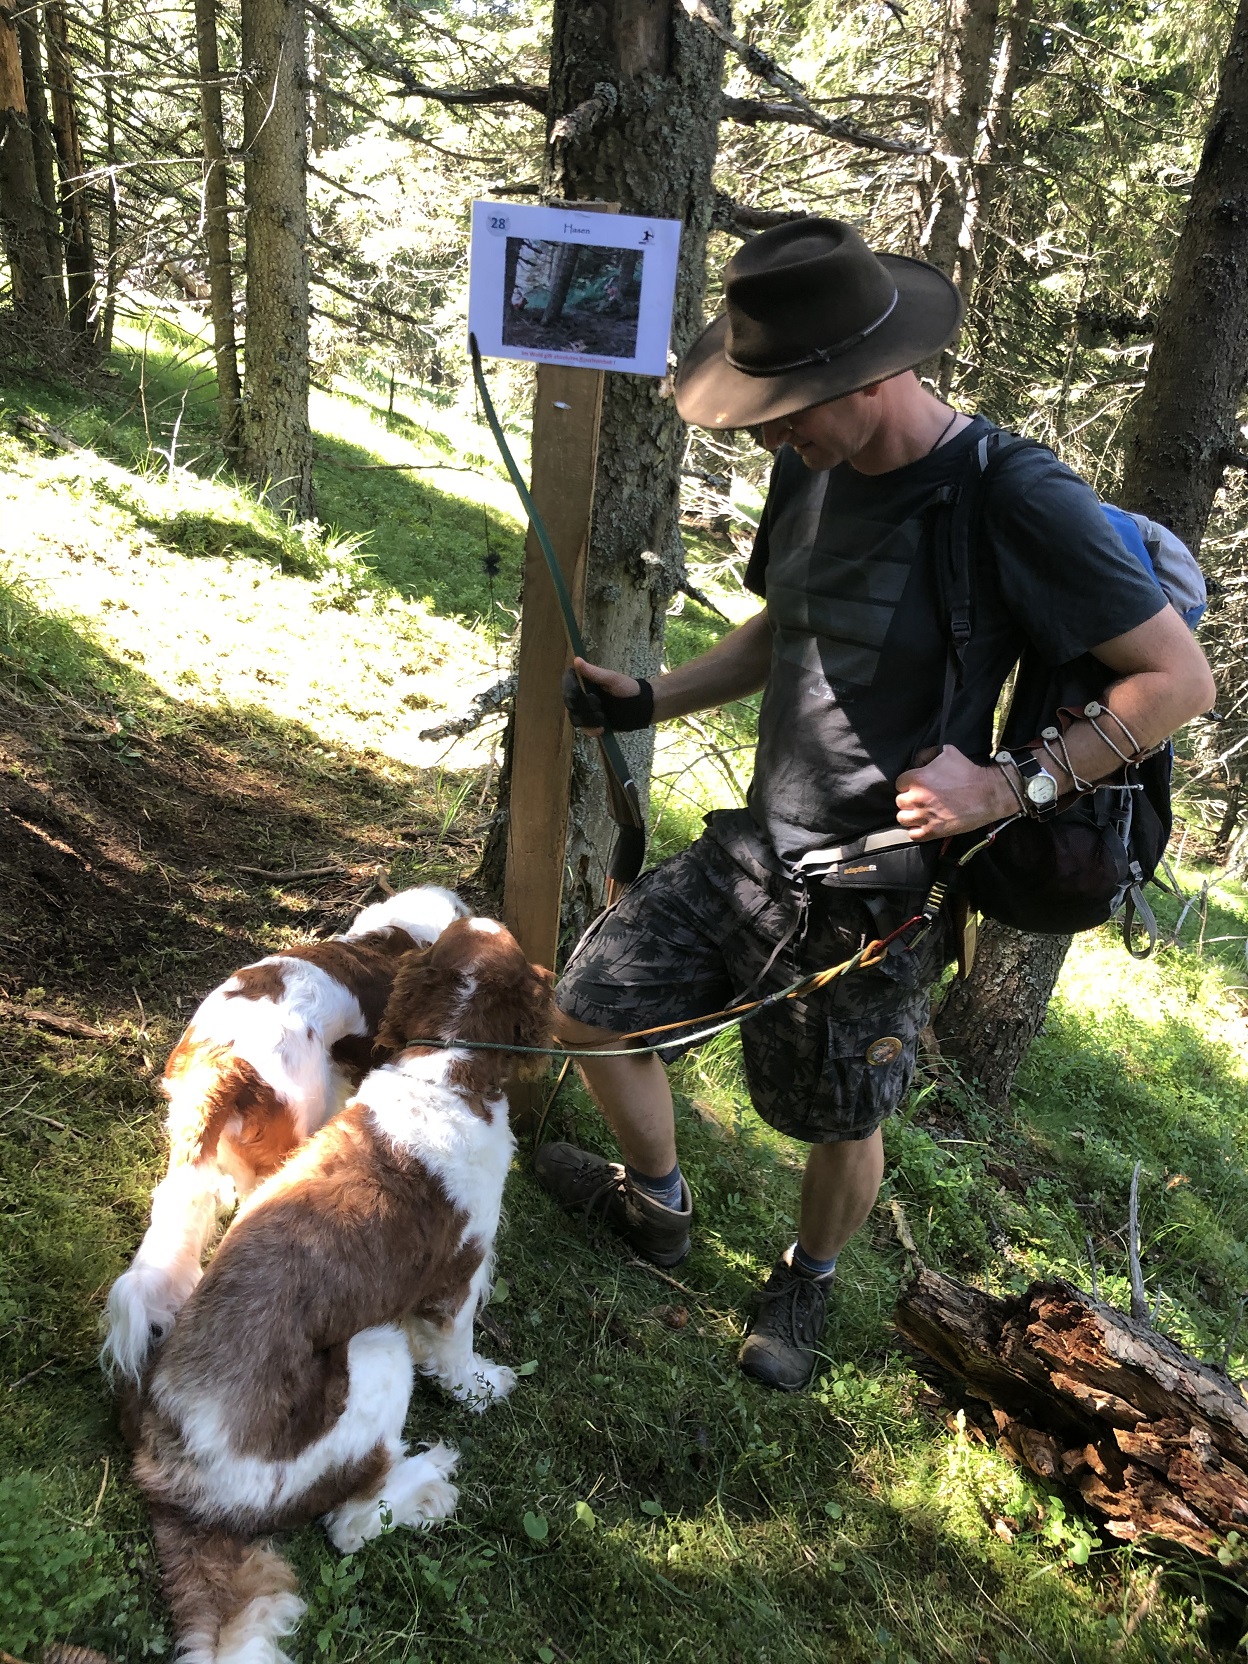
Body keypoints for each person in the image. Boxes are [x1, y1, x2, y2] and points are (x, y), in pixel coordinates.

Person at [533, 220, 1215, 1392]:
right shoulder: (811, 462)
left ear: (872, 374)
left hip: (878, 890)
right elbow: (783, 625)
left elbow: (1178, 682)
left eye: (786, 410)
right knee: (588, 1005)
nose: (772, 435)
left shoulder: (1012, 492)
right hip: (758, 846)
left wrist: (1002, 785)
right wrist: (652, 696)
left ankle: (807, 1274)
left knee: (841, 1116)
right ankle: (656, 1204)